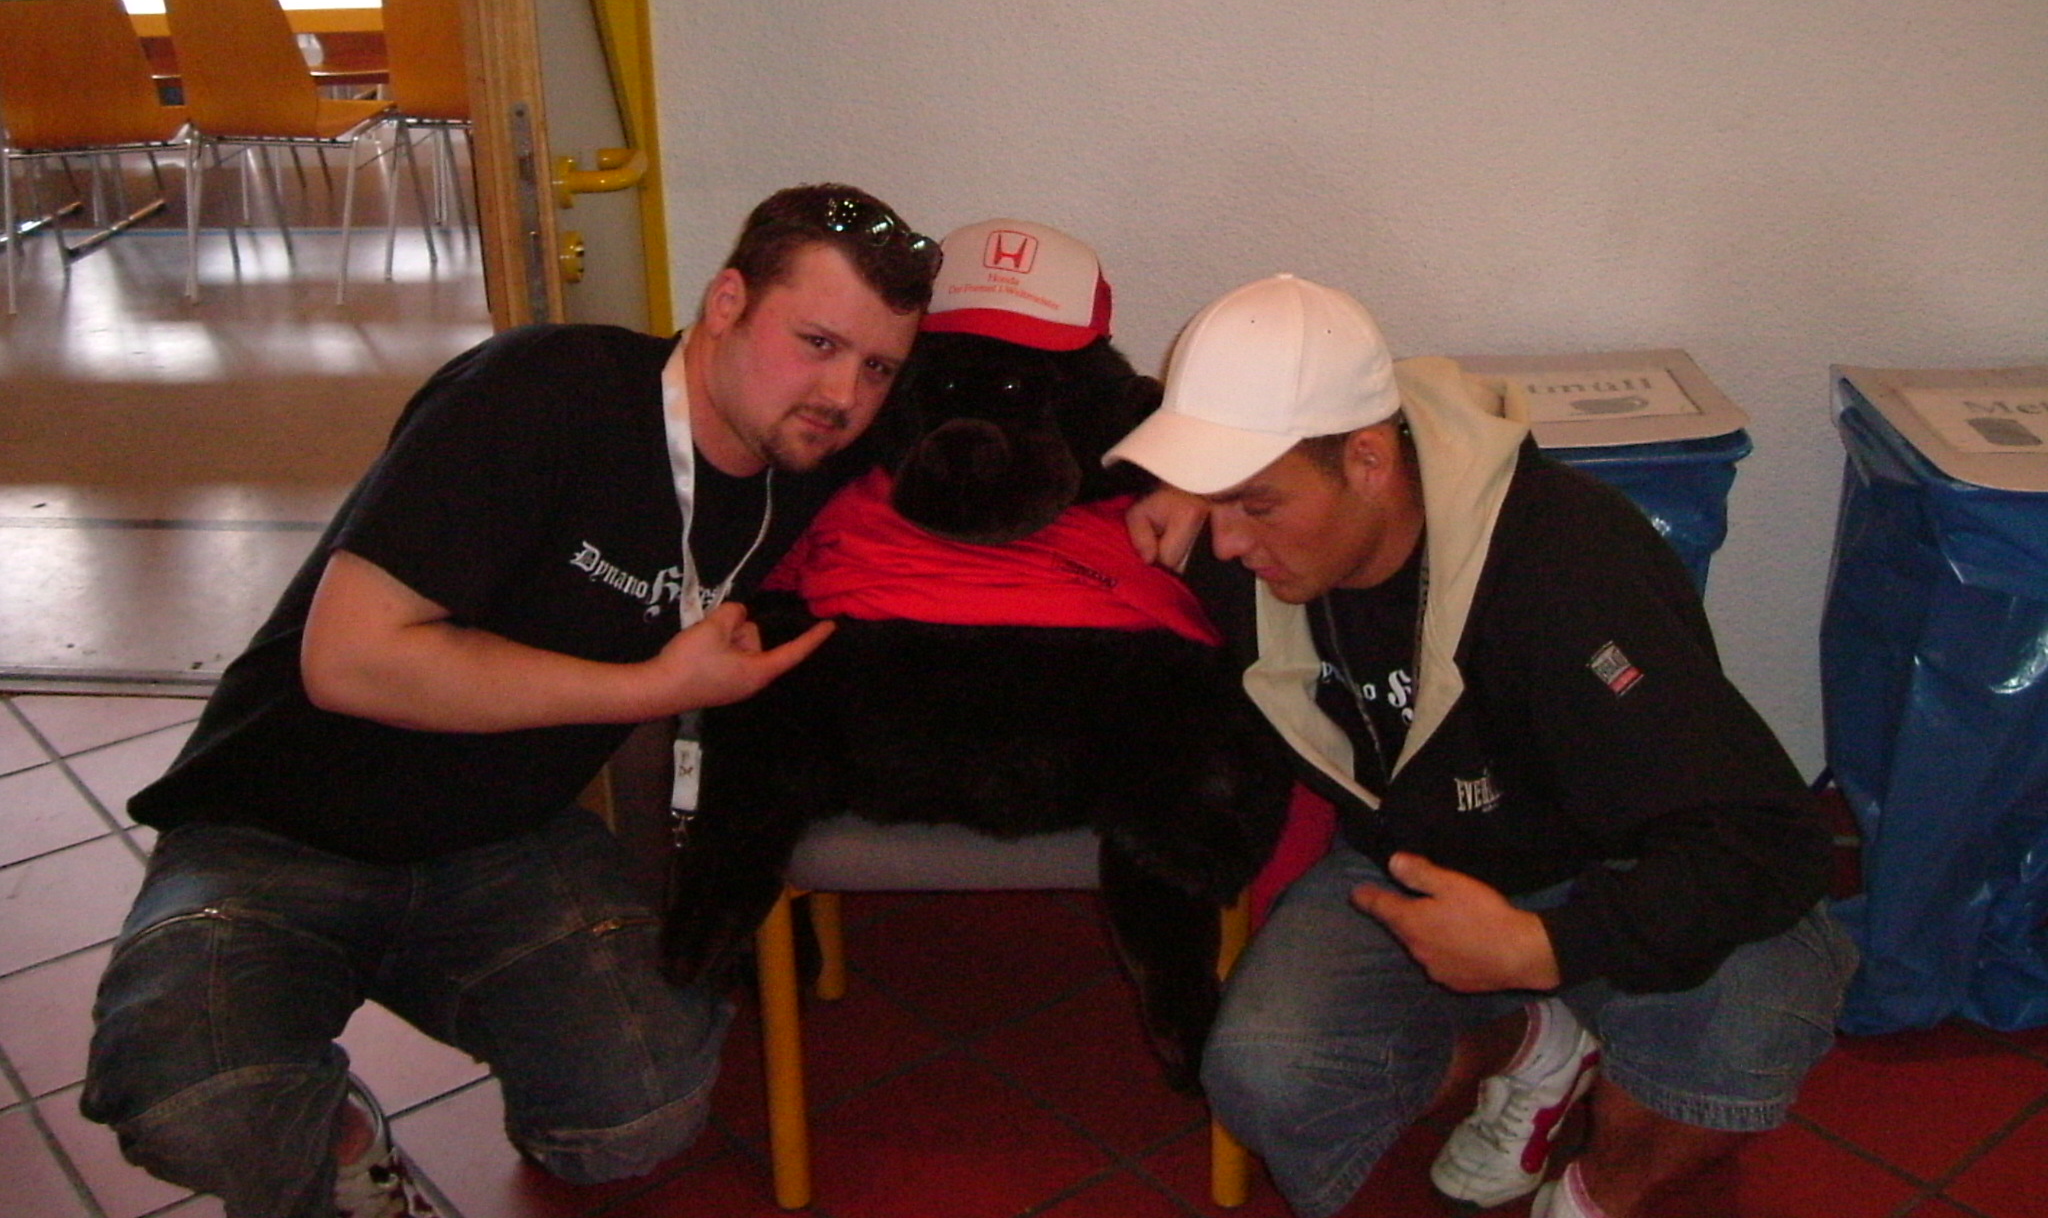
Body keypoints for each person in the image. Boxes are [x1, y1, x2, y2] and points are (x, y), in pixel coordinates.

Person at [81, 185, 939, 1218]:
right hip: (280, 827)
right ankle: (338, 1139)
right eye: (816, 342)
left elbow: (1021, 436)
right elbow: (347, 661)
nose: (842, 395)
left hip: (506, 838)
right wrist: (654, 688)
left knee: (634, 1116)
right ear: (726, 303)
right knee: (193, 1099)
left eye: (877, 367)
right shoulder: (543, 389)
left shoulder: (809, 452)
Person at [1107, 274, 1855, 1218]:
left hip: (1609, 868)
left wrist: (1549, 945)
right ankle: (1535, 1046)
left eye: (1256, 504)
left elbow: (1774, 841)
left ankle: (1598, 1190)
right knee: (1263, 1075)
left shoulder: (1569, 569)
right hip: (1416, 862)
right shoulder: (1253, 546)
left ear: (1369, 460)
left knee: (1753, 1015)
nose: (1223, 544)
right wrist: (1195, 485)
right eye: (1213, 499)